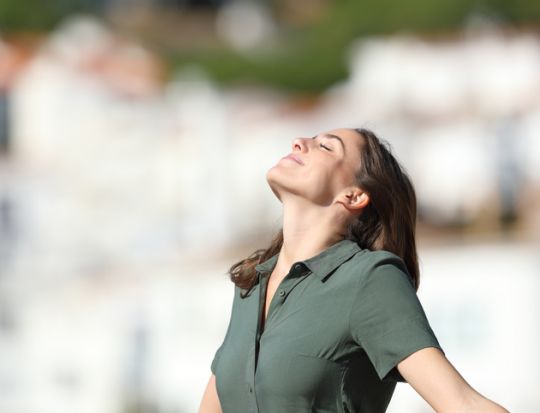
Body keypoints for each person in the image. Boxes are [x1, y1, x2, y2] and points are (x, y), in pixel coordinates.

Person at [197, 128, 509, 413]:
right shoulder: (250, 286)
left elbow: (462, 403)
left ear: (353, 195)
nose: (298, 142)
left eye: (325, 146)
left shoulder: (370, 279)